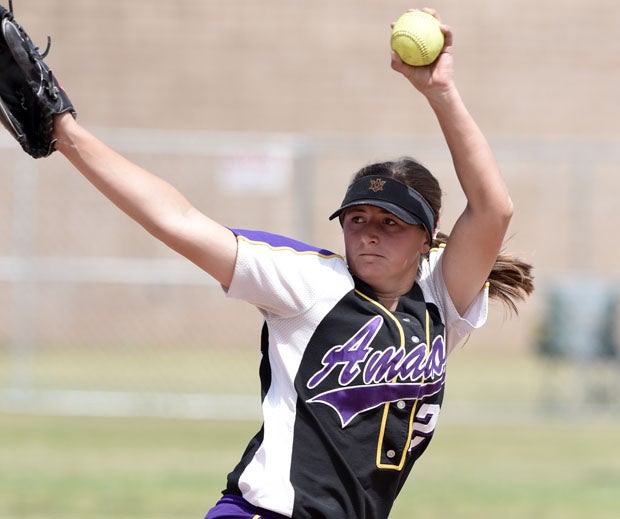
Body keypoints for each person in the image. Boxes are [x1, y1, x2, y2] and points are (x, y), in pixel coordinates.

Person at [46, 8, 533, 519]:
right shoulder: (307, 281)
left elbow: (493, 209)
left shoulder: (440, 298)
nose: (369, 232)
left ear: (426, 238)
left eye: (391, 222)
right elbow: (178, 219)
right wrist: (66, 134)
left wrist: (440, 91)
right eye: (357, 218)